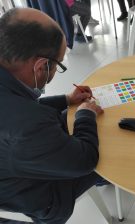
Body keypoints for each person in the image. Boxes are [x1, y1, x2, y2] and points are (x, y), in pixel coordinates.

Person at [0, 8, 108, 223]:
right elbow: (84, 160)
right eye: (58, 65)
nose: (56, 70)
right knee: (108, 158)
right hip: (35, 199)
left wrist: (66, 100)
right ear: (40, 67)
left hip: (12, 167)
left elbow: (21, 106)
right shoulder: (28, 127)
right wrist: (85, 115)